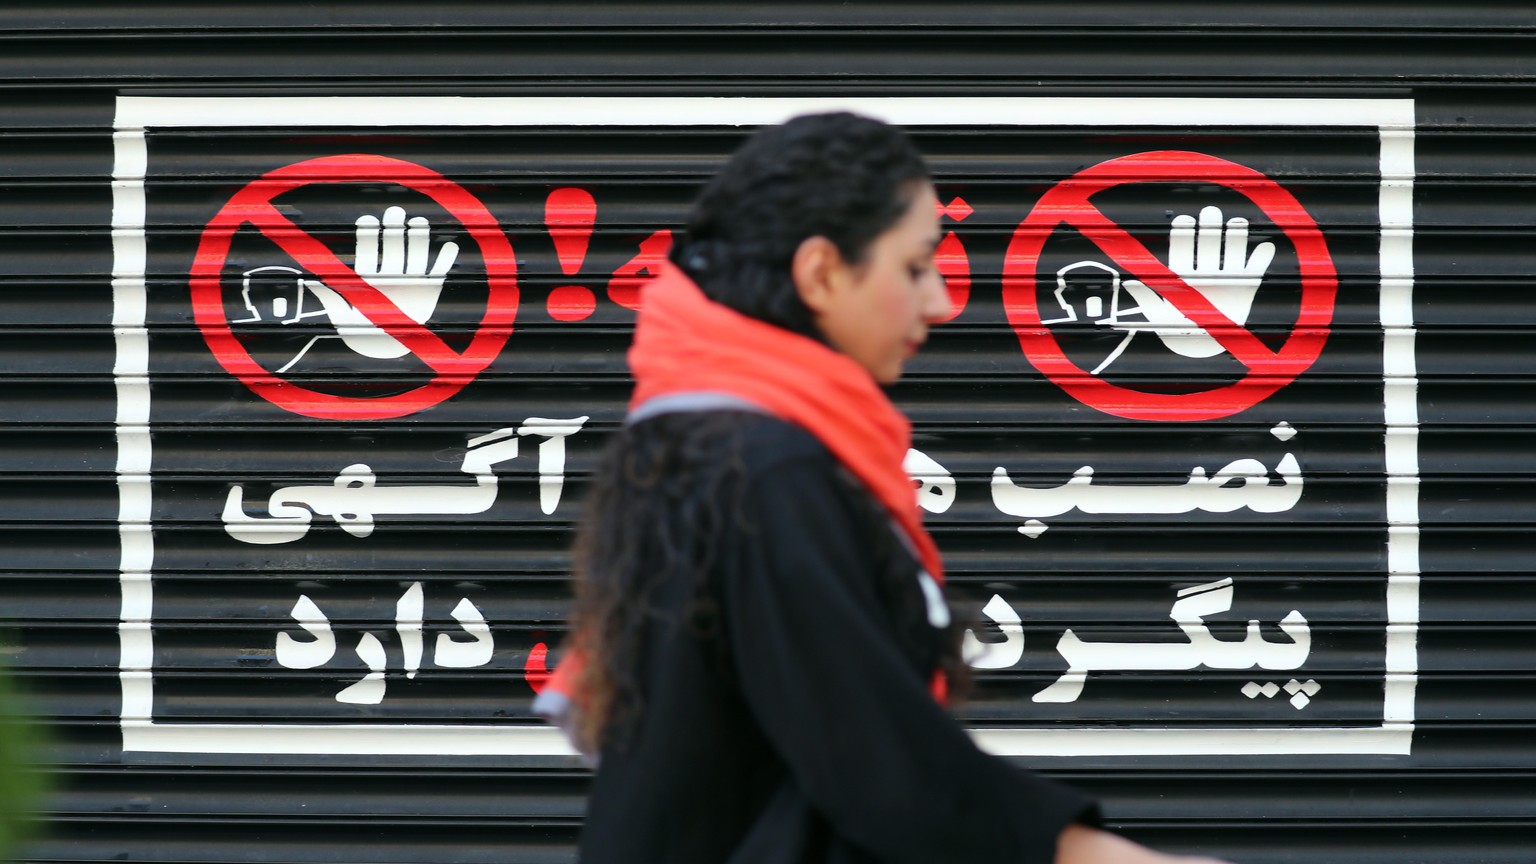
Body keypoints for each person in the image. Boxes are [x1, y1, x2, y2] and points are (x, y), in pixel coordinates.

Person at [539, 112, 1228, 864]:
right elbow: (876, 759)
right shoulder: (767, 470)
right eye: (914, 267)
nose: (938, 301)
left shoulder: (703, 440)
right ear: (822, 273)